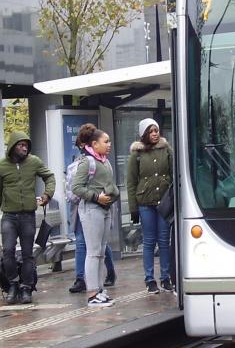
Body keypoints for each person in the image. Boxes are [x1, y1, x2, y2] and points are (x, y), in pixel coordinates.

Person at [0, 131, 56, 305]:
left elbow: (49, 177)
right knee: (8, 251)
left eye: (26, 145)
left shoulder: (34, 162)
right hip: (9, 217)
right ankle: (12, 284)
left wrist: (47, 194)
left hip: (28, 216)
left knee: (28, 254)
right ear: (12, 146)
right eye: (21, 145)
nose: (24, 148)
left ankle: (26, 287)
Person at [72, 128, 119, 307]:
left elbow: (110, 184)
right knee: (93, 252)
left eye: (109, 141)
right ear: (94, 144)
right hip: (91, 210)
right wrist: (96, 197)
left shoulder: (105, 162)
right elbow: (77, 187)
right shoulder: (87, 162)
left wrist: (112, 195)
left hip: (105, 209)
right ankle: (92, 294)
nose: (109, 145)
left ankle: (99, 290)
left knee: (100, 251)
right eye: (105, 142)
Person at [127, 118, 174, 294]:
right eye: (151, 131)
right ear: (144, 134)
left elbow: (174, 174)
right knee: (149, 241)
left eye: (156, 130)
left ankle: (165, 277)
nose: (154, 134)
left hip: (164, 202)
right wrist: (133, 208)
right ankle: (149, 279)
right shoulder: (136, 154)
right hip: (145, 204)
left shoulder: (166, 149)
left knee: (164, 241)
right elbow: (131, 182)